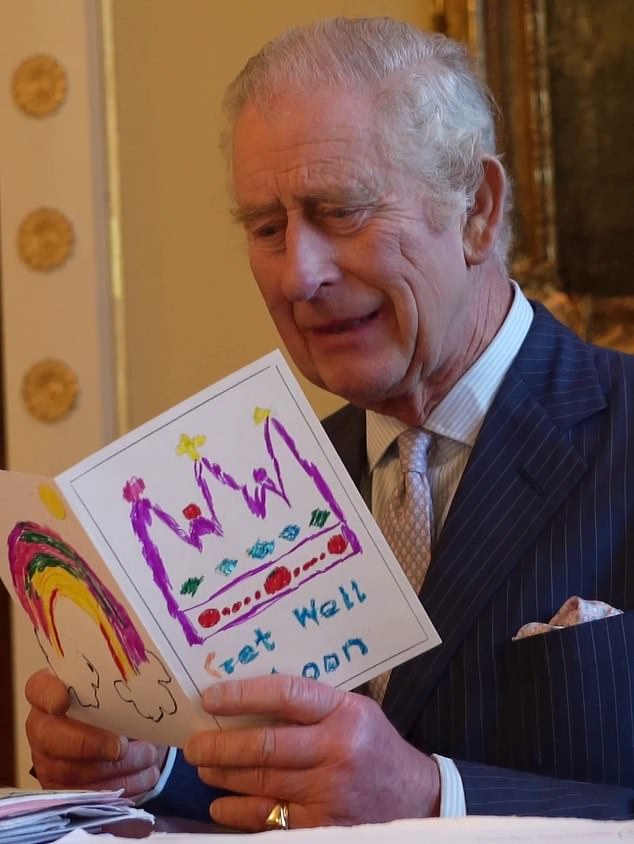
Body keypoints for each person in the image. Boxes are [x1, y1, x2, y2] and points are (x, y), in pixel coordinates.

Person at [24, 17, 634, 831]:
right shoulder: (266, 484)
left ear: (478, 210)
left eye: (340, 211)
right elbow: (301, 794)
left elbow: (395, 785)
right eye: (267, 230)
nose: (299, 275)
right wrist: (149, 764)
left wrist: (433, 797)